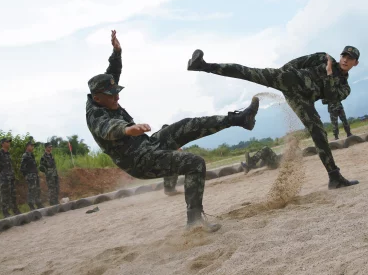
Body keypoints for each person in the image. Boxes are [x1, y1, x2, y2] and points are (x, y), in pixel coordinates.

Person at [85, 30, 260, 233]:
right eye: (112, 95)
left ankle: (240, 119)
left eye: (117, 93)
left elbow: (112, 74)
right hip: (139, 161)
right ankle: (194, 221)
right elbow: (108, 129)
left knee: (186, 125)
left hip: (147, 144)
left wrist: (117, 52)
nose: (117, 98)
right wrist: (127, 129)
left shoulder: (103, 94)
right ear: (97, 98)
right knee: (195, 163)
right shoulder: (95, 115)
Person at [187, 46, 360, 189]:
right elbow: (298, 62)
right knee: (248, 72)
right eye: (344, 55)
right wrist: (281, 77)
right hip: (291, 81)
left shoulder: (345, 88)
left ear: (355, 63)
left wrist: (329, 75)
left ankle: (334, 177)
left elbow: (330, 97)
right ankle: (202, 65)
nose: (345, 59)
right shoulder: (324, 57)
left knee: (319, 133)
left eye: (350, 58)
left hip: (303, 100)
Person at [0, 138, 21, 218]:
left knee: (13, 194)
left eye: (9, 142)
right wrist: (3, 172)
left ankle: (15, 210)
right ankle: (5, 212)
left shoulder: (8, 153)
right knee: (5, 195)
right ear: (2, 143)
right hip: (4, 178)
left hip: (11, 177)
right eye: (7, 142)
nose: (9, 143)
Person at [20, 140, 44, 210]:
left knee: (38, 189)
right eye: (31, 146)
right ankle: (31, 205)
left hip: (35, 174)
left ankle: (38, 203)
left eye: (33, 146)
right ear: (27, 147)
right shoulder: (25, 155)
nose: (33, 147)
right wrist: (26, 175)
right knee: (32, 190)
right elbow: (22, 167)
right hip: (30, 175)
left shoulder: (31, 155)